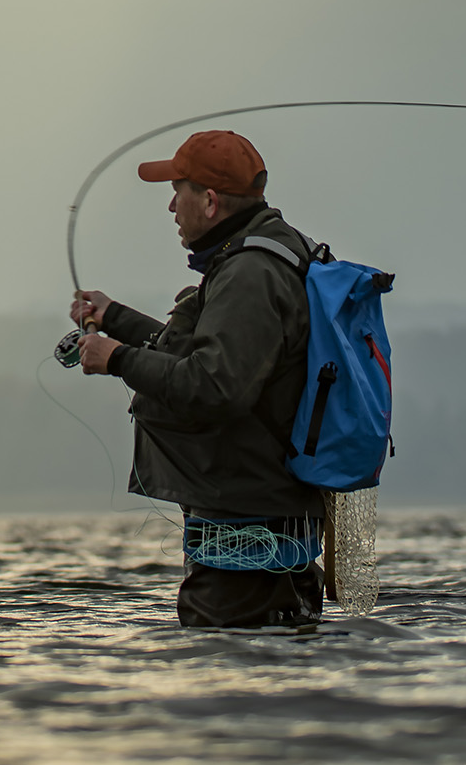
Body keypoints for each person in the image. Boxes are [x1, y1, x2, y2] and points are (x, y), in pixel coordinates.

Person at [71, 130, 325, 629]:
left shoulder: (251, 272)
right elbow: (208, 353)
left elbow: (214, 386)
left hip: (247, 522)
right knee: (277, 673)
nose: (171, 206)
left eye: (178, 191)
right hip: (261, 518)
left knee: (224, 678)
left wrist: (117, 358)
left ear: (209, 201)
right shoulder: (262, 257)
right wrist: (115, 318)